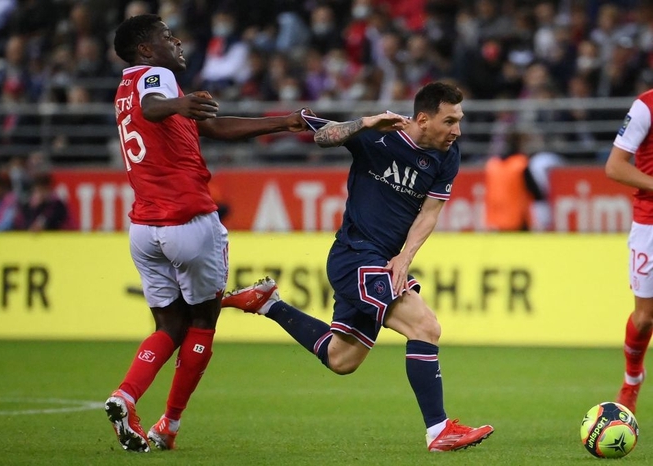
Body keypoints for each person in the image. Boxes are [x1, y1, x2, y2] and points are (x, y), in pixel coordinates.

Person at [222, 82, 494, 452]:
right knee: (425, 326)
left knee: (342, 359)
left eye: (459, 121)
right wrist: (364, 123)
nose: (457, 130)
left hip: (381, 260)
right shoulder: (378, 137)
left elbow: (430, 213)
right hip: (355, 256)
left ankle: (268, 303)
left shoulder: (448, 154)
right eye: (450, 121)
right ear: (424, 119)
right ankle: (438, 429)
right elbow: (322, 136)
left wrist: (404, 257)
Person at [105, 14, 312, 453]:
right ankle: (169, 426)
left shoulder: (125, 90)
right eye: (164, 36)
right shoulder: (155, 78)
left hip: (144, 227)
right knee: (202, 321)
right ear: (145, 49)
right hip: (188, 219)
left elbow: (214, 126)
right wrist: (176, 104)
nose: (175, 40)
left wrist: (283, 122)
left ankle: (125, 395)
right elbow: (153, 107)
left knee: (169, 323)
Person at [605, 87, 653, 414]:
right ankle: (632, 379)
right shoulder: (645, 107)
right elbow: (615, 167)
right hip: (649, 222)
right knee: (645, 316)